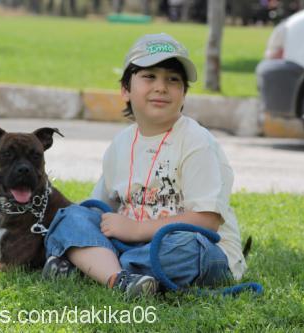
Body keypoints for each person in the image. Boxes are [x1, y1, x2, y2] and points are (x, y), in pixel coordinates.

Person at [43, 33, 247, 298]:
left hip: (195, 249)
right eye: (149, 76)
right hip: (129, 244)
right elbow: (99, 209)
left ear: (183, 93)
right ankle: (121, 278)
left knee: (188, 248)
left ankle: (93, 267)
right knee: (72, 216)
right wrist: (98, 224)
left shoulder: (197, 142)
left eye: (173, 80)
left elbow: (207, 221)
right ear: (125, 89)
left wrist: (136, 230)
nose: (161, 87)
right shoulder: (121, 144)